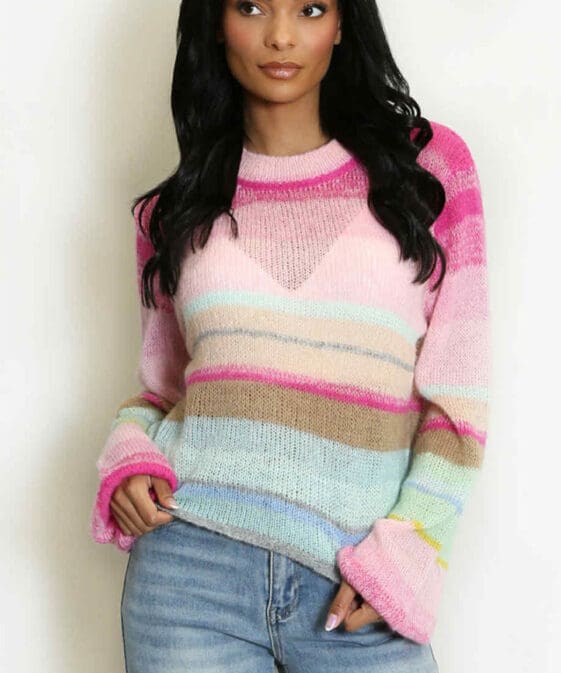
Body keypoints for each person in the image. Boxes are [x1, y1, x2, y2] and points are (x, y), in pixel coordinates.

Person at [90, 1, 490, 671]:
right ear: (217, 22)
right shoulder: (175, 211)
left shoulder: (427, 172)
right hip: (188, 575)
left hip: (357, 580)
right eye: (252, 7)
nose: (280, 36)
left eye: (309, 8)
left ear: (342, 22)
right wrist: (129, 456)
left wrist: (406, 555)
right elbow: (165, 393)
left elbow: (458, 402)